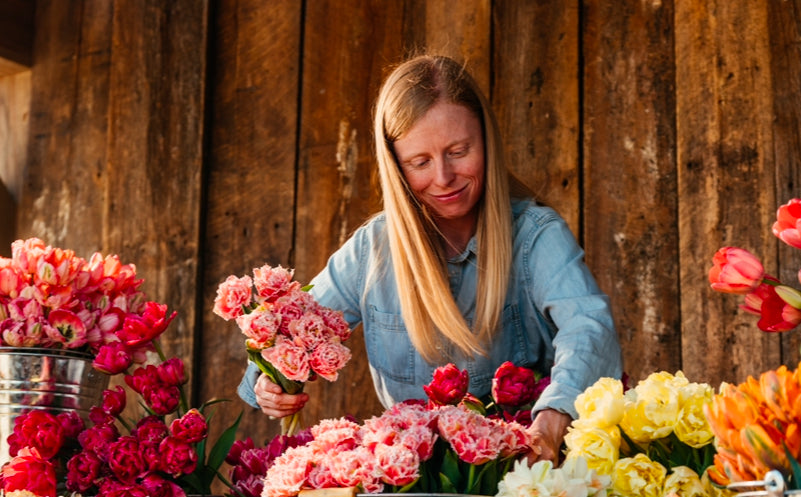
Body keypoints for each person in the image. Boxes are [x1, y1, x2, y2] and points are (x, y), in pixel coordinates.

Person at [239, 54, 622, 461]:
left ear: (486, 141)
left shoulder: (535, 235)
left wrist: (552, 417)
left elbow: (588, 326)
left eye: (458, 151)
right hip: (412, 491)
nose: (443, 178)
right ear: (397, 169)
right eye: (419, 162)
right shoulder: (372, 250)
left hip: (525, 477)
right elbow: (292, 334)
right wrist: (272, 384)